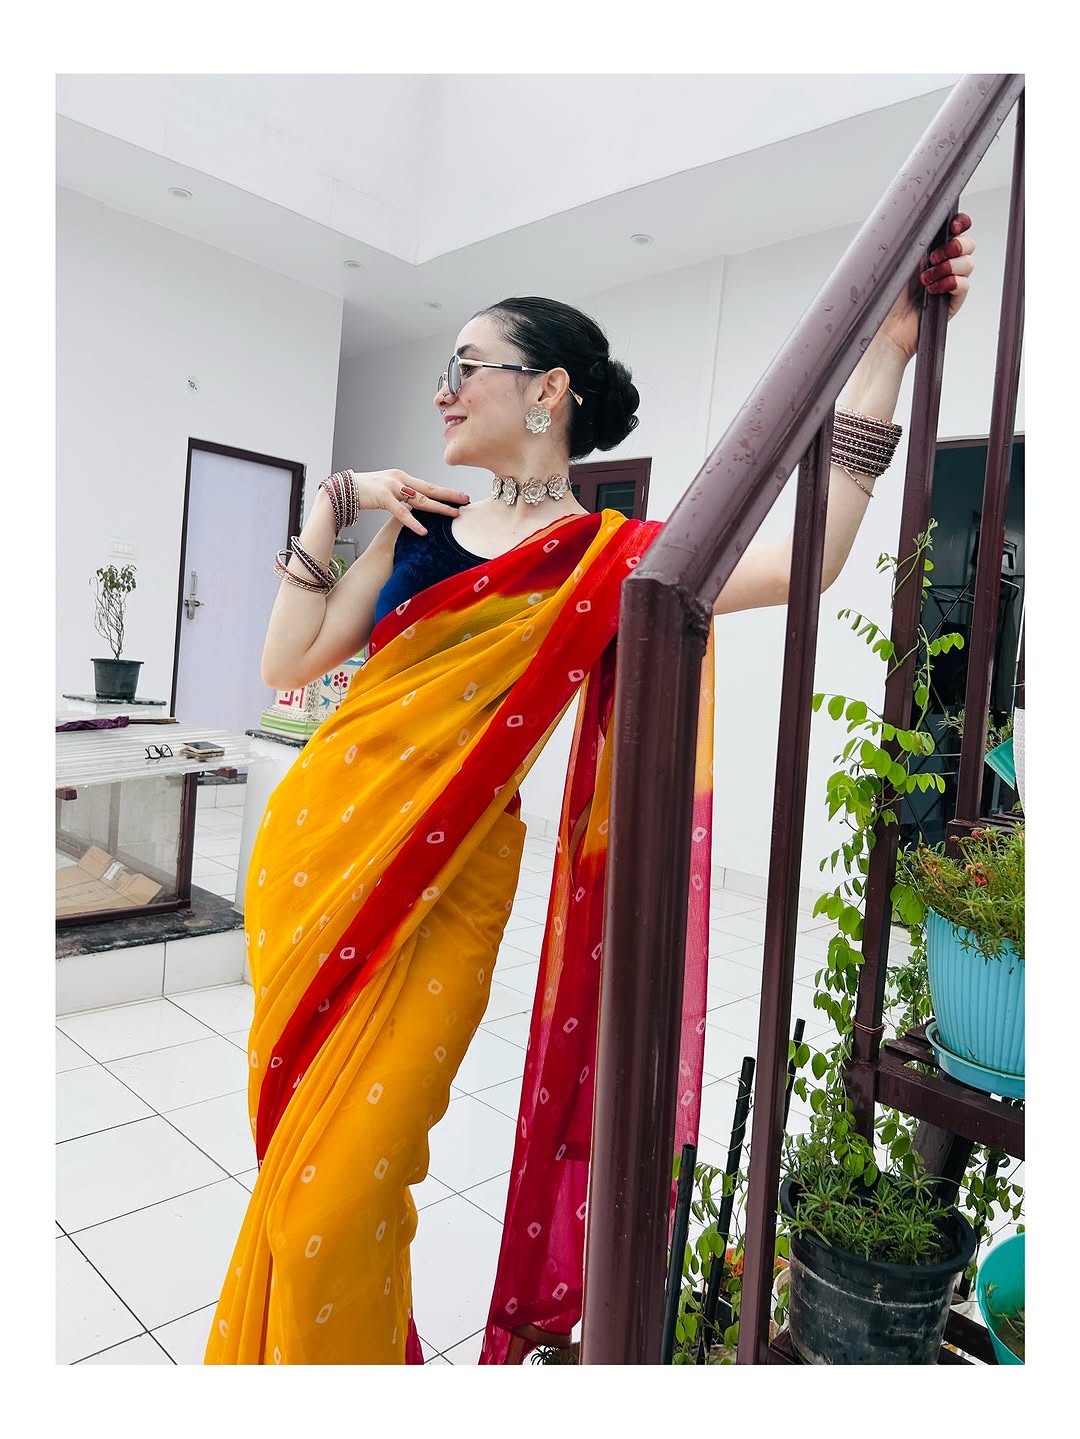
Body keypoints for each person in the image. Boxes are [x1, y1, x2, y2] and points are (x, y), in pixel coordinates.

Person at [205, 218, 976, 1365]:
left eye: (465, 367)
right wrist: (338, 500)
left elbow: (806, 559)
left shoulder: (613, 558)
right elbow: (290, 657)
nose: (443, 390)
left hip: (450, 883)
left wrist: (893, 349)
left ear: (546, 390)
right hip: (316, 857)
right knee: (304, 1174)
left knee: (344, 1187)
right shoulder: (423, 528)